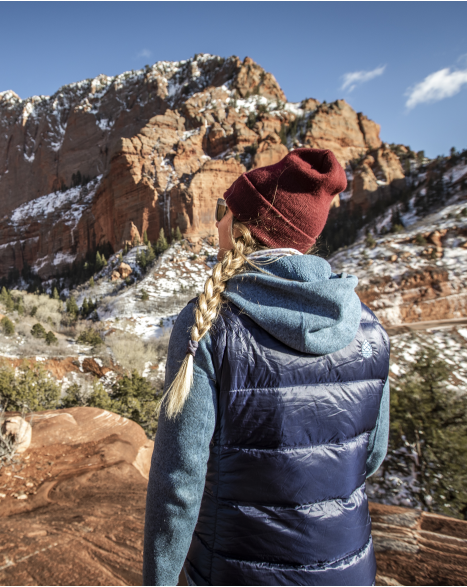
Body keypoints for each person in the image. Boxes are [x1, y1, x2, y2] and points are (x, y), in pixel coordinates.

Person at [143, 148, 390, 586]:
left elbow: (179, 486)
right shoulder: (367, 325)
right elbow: (370, 457)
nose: (215, 219)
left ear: (241, 226)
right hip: (350, 571)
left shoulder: (209, 324)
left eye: (223, 209)